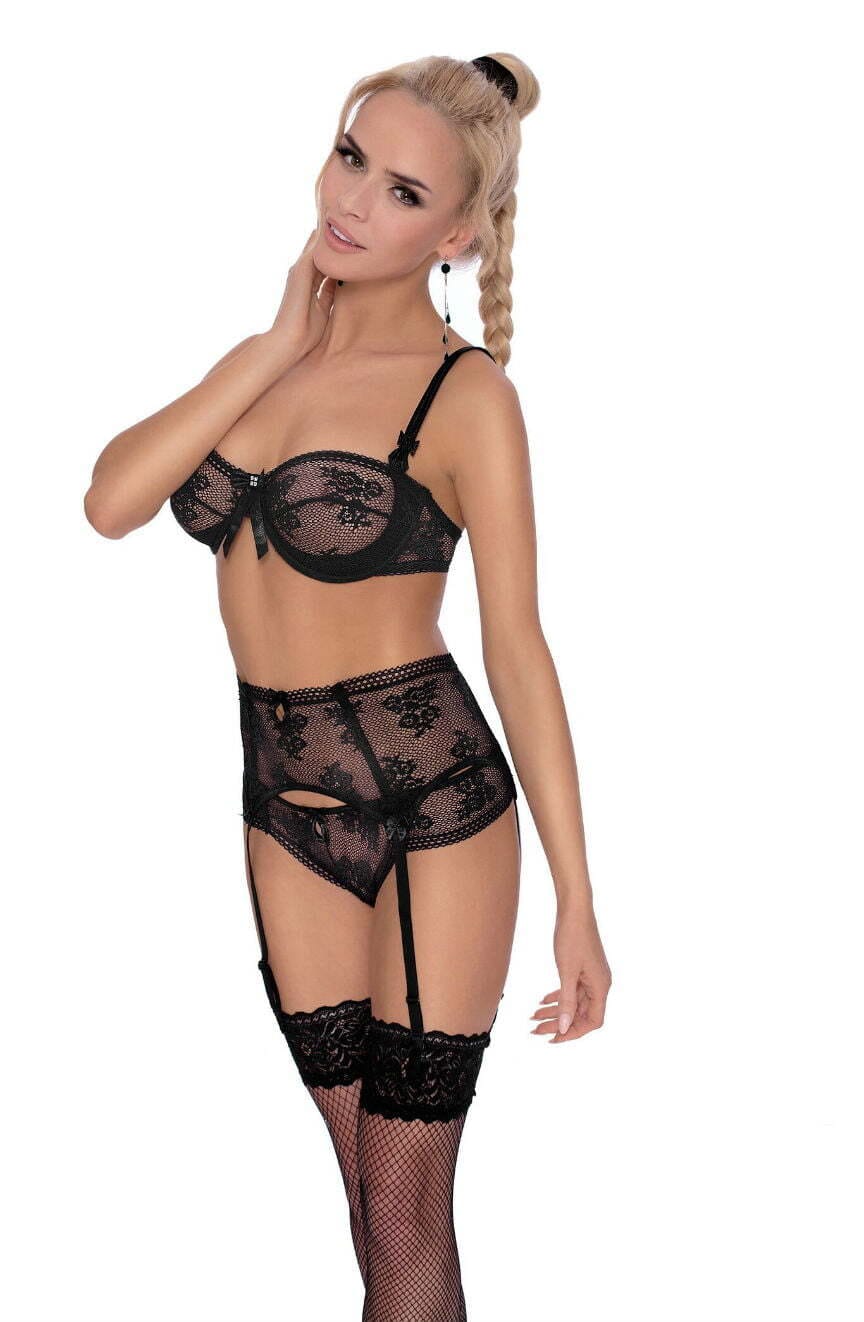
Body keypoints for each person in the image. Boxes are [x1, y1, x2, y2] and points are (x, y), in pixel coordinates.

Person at [84, 51, 612, 1321]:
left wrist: (579, 898)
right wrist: (279, 342)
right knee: (368, 1204)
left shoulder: (466, 396)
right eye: (350, 157)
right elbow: (109, 502)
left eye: (403, 191)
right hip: (284, 801)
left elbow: (518, 644)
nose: (355, 200)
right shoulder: (267, 359)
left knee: (404, 1205)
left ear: (460, 231)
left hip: (436, 801)